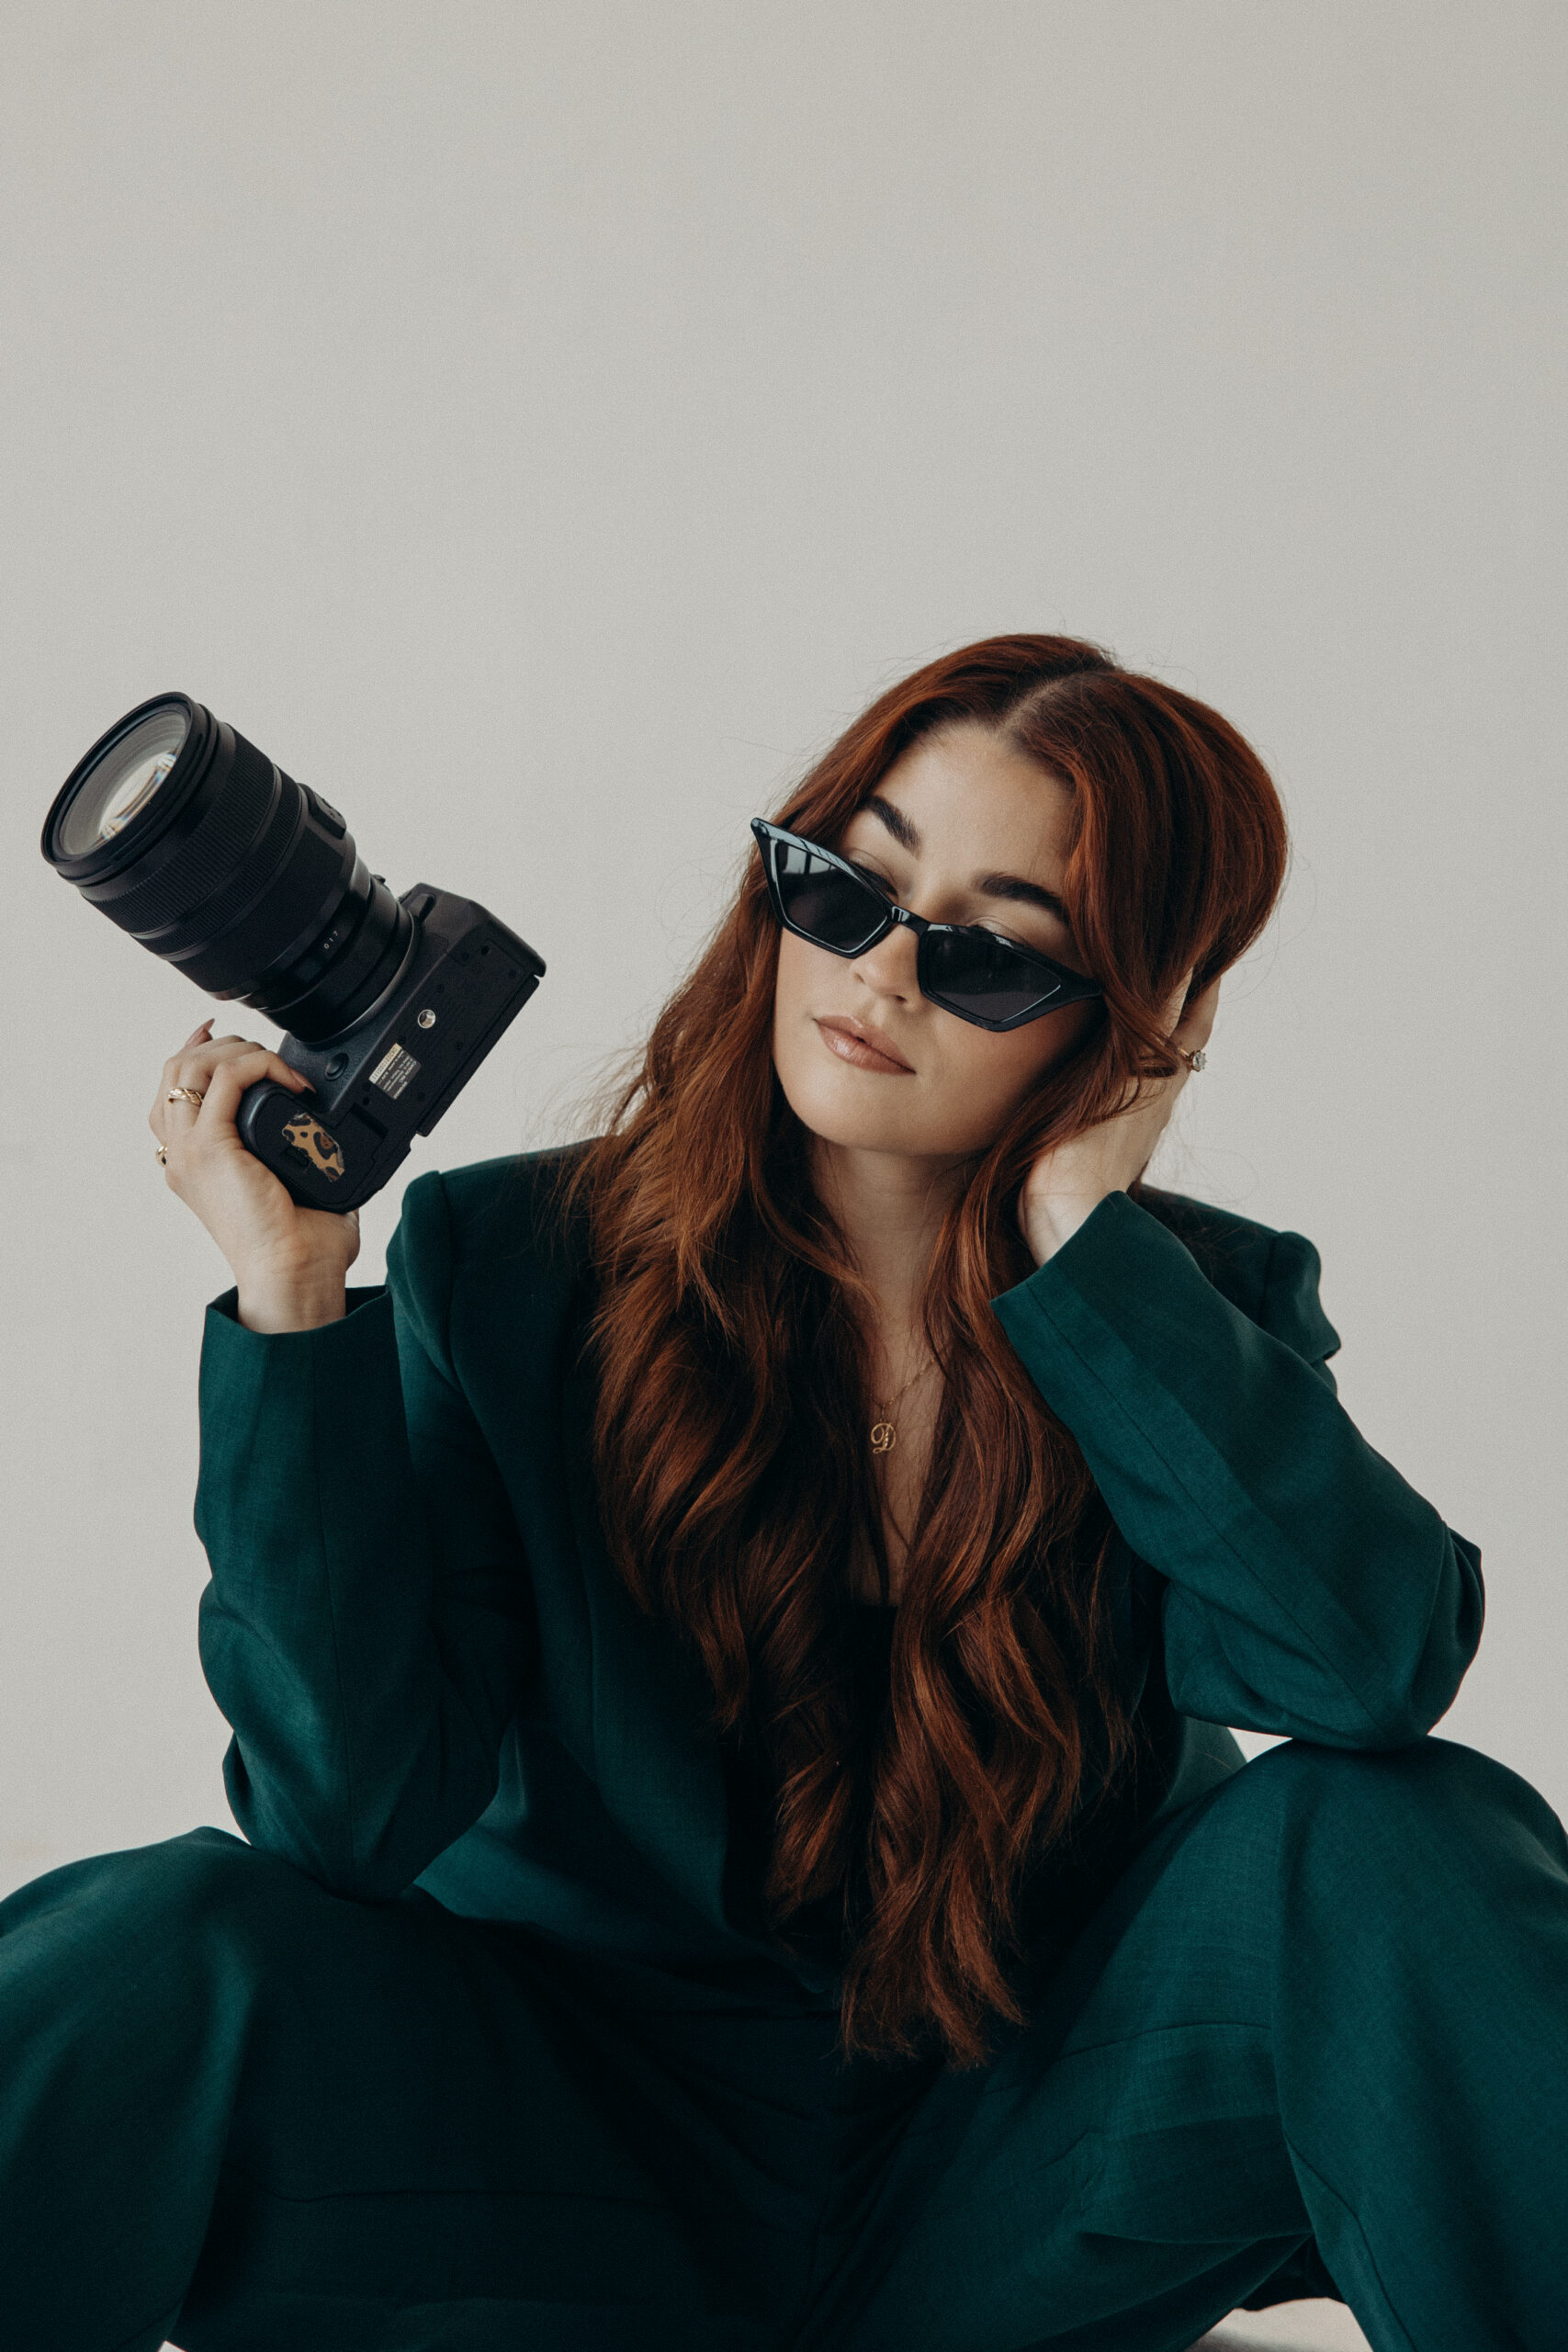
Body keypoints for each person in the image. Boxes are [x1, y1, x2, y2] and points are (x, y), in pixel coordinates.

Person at [4, 635, 1564, 2352]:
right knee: (158, 1937)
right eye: (843, 885)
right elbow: (340, 1824)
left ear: (1136, 1029)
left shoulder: (1188, 1314)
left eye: (990, 954)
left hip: (1009, 2194)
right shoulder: (508, 1265)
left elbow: (1369, 1673)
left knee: (1409, 1832)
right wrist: (293, 1297)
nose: (879, 972)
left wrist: (1084, 1249)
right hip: (559, 2170)